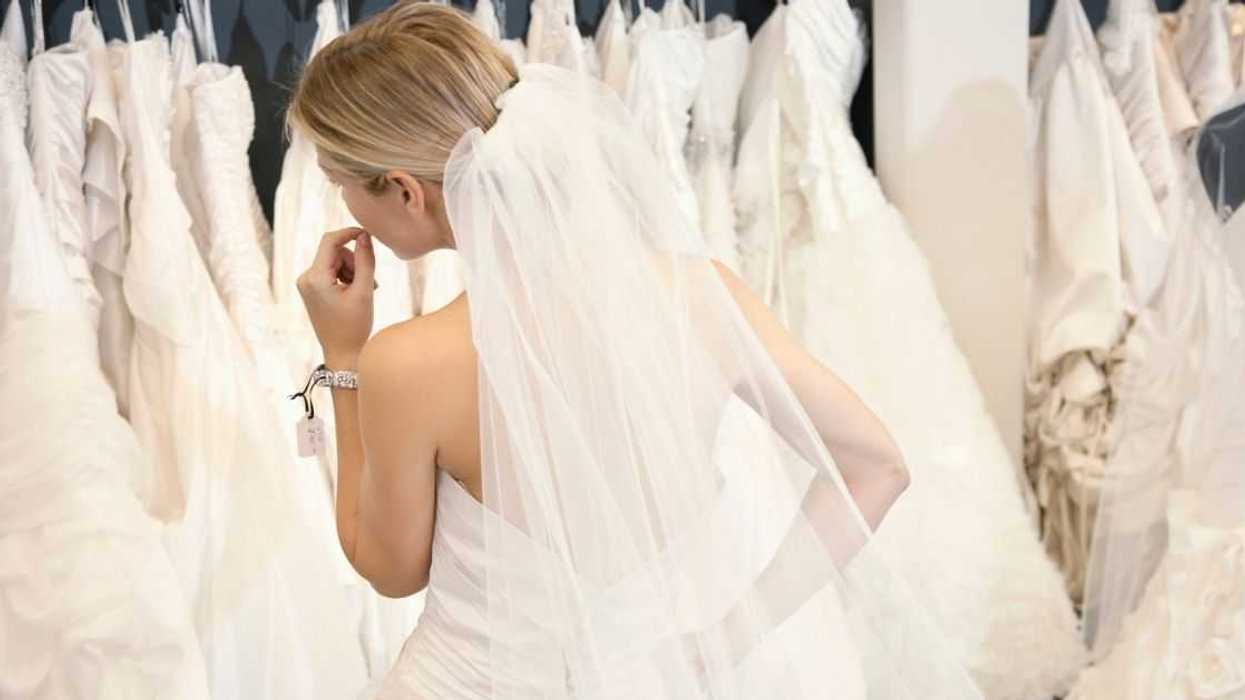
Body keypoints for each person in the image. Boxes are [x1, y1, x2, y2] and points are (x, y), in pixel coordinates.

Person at [288, 3, 980, 697]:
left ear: (405, 191)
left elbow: (390, 571)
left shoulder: (408, 362)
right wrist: (729, 636)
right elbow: (878, 467)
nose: (344, 205)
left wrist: (343, 359)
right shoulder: (701, 298)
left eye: (340, 183)